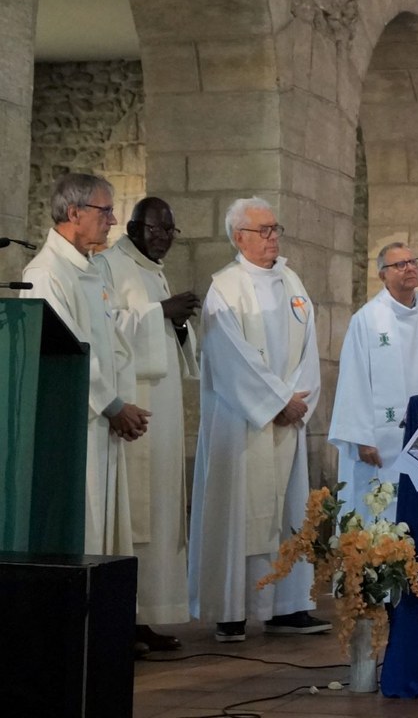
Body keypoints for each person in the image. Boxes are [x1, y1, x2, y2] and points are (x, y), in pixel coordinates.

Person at [189, 198, 329, 642]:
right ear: (239, 237)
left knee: (288, 509)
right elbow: (229, 357)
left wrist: (298, 401)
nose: (272, 237)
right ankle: (231, 611)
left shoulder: (292, 281)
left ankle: (287, 605)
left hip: (287, 419)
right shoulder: (225, 288)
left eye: (274, 229)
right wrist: (277, 401)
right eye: (262, 230)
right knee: (239, 511)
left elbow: (309, 347)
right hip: (242, 423)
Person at [100, 196, 202, 653]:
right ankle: (126, 616)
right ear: (133, 228)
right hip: (133, 405)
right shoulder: (109, 264)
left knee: (161, 511)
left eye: (169, 230)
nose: (163, 238)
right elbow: (107, 327)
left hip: (164, 405)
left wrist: (177, 323)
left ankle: (149, 615)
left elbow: (165, 330)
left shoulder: (153, 269)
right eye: (156, 229)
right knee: (136, 515)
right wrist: (160, 311)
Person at [22, 174, 141, 559]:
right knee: (80, 531)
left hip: (101, 423)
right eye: (105, 211)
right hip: (75, 424)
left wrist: (122, 403)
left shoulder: (89, 269)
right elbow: (67, 353)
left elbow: (111, 344)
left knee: (101, 534)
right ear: (74, 213)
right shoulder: (46, 274)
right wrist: (114, 406)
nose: (113, 220)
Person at [329, 242, 418, 521]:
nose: (409, 268)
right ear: (383, 274)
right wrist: (361, 438)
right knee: (378, 514)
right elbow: (353, 379)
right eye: (400, 264)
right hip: (379, 442)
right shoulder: (367, 319)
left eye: (413, 262)